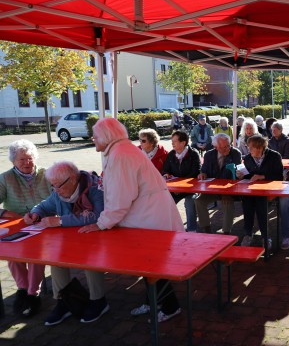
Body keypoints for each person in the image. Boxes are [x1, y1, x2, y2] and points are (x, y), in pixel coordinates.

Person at [79, 118, 184, 324]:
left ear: (107, 136)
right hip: (147, 215)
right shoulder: (121, 151)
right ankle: (153, 301)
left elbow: (120, 199)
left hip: (148, 218)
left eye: (96, 134)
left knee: (153, 264)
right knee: (148, 264)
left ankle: (170, 306)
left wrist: (101, 223)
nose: (93, 138)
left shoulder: (120, 155)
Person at [24, 161, 108, 325]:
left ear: (72, 179)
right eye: (53, 186)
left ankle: (99, 301)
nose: (55, 190)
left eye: (58, 186)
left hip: (97, 237)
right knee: (57, 260)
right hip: (70, 239)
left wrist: (60, 221)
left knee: (91, 259)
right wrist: (34, 213)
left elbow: (99, 215)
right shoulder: (59, 191)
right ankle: (65, 301)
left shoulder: (95, 187)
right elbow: (45, 205)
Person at [0, 140, 50, 317]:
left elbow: (60, 198)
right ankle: (22, 289)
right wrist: (6, 212)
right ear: (13, 161)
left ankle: (32, 294)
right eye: (22, 160)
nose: (27, 163)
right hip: (17, 225)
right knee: (13, 255)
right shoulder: (5, 178)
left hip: (43, 224)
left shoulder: (46, 174)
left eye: (30, 158)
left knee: (35, 255)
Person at [240, 135, 284, 249]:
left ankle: (266, 236)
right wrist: (241, 175)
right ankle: (248, 234)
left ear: (259, 148)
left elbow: (279, 176)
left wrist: (262, 176)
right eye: (248, 147)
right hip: (252, 190)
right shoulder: (248, 158)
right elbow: (249, 175)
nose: (248, 150)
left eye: (251, 148)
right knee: (247, 203)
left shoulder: (274, 156)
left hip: (269, 190)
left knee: (261, 205)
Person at [195, 133, 242, 234]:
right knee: (199, 201)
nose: (227, 148)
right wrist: (202, 174)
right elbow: (204, 170)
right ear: (216, 147)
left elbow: (235, 176)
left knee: (227, 203)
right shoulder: (208, 155)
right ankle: (206, 228)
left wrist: (226, 193)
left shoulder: (235, 153)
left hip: (229, 190)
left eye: (228, 145)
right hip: (213, 190)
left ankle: (226, 233)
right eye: (224, 147)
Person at [163, 131, 201, 232]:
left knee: (190, 202)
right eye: (172, 141)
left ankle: (192, 229)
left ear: (183, 142)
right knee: (165, 201)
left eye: (175, 141)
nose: (172, 143)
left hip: (190, 189)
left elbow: (195, 172)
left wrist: (181, 186)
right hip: (175, 189)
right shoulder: (171, 154)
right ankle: (168, 228)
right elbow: (166, 169)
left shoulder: (193, 154)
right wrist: (166, 174)